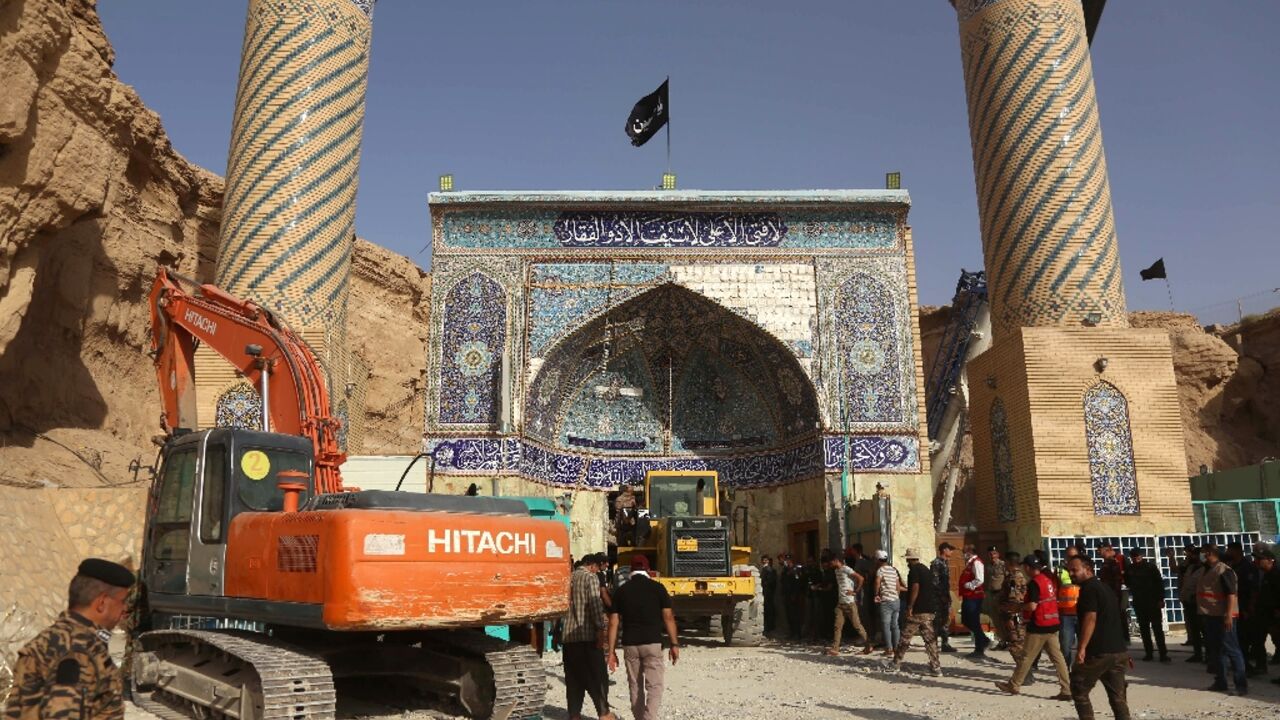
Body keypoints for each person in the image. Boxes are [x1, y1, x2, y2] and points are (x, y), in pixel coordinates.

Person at [4, 559, 134, 720]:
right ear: (102, 602)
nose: (125, 608)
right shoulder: (77, 652)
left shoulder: (52, 638)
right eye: (122, 601)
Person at [606, 555, 678, 720]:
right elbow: (668, 617)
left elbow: (613, 623)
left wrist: (611, 652)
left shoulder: (621, 591)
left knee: (635, 685)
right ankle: (649, 718)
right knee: (655, 685)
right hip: (653, 643)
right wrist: (674, 644)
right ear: (648, 570)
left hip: (630, 644)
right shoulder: (659, 589)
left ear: (631, 570)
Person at [997, 556, 1071, 700]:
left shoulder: (1034, 583)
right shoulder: (1047, 579)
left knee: (1026, 657)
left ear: (1029, 568)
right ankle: (1067, 689)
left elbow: (1032, 605)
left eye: (1025, 567)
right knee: (1058, 658)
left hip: (1039, 624)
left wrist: (1016, 608)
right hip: (1053, 622)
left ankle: (1014, 684)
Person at [1068, 555, 1131, 720]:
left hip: (1100, 652)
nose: (1071, 573)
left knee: (1079, 688)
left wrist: (1081, 648)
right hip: (1118, 652)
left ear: (1087, 569)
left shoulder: (1089, 589)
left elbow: (1091, 618)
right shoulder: (1105, 587)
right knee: (1118, 697)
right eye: (1069, 570)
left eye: (1075, 570)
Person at [563, 554, 615, 720]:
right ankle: (604, 714)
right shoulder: (590, 578)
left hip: (569, 637)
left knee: (573, 679)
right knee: (597, 678)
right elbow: (594, 604)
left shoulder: (568, 577)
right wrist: (601, 629)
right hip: (587, 637)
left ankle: (574, 715)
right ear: (592, 565)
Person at [1198, 545, 1247, 695]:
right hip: (1211, 615)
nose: (1201, 556)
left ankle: (1241, 685)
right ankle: (1221, 681)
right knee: (1217, 651)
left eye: (1202, 553)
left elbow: (1231, 594)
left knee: (1232, 650)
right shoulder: (1207, 569)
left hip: (1224, 616)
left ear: (1210, 553)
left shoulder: (1224, 570)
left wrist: (1228, 615)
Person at [892, 548, 942, 676]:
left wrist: (910, 606)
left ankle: (895, 664)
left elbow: (915, 587)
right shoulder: (925, 569)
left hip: (918, 610)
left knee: (905, 638)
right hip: (929, 610)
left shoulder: (914, 570)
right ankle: (936, 667)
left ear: (909, 559)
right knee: (930, 640)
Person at [1123, 548, 1168, 662]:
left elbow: (1159, 583)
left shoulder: (1150, 567)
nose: (1136, 558)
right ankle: (1149, 652)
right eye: (1133, 556)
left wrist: (1161, 599)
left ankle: (1163, 653)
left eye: (1137, 556)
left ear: (1141, 556)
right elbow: (1127, 582)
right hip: (1139, 601)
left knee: (1157, 628)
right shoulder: (1130, 569)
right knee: (1144, 629)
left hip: (1152, 601)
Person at [864, 550, 906, 657]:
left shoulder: (880, 570)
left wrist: (876, 595)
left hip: (886, 601)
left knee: (886, 625)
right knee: (895, 625)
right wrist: (896, 596)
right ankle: (896, 648)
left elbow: (877, 582)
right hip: (896, 601)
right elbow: (898, 586)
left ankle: (889, 649)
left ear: (878, 560)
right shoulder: (893, 570)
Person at [826, 554, 867, 656]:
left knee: (857, 626)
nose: (830, 565)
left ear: (836, 560)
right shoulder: (836, 571)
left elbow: (861, 578)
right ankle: (835, 649)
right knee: (837, 626)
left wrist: (855, 591)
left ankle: (868, 645)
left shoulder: (846, 569)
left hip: (849, 602)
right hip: (841, 603)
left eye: (831, 562)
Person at [999, 552, 1031, 679]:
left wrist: (1010, 617)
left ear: (1008, 562)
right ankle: (1026, 674)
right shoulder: (1016, 576)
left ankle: (1026, 674)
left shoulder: (1014, 578)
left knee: (1015, 645)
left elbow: (1015, 600)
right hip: (1016, 615)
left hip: (1014, 617)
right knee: (1018, 644)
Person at [959, 544, 989, 658]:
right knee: (965, 620)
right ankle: (983, 639)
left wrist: (969, 585)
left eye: (964, 552)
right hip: (968, 596)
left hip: (974, 596)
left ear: (970, 552)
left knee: (973, 620)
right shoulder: (969, 563)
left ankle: (979, 649)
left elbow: (980, 579)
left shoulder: (976, 562)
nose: (963, 554)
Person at [1178, 544, 1205, 662]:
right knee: (1194, 630)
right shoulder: (1190, 567)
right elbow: (1185, 582)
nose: (1191, 556)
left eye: (1194, 555)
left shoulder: (1205, 569)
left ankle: (1209, 655)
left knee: (1204, 630)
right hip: (1189, 602)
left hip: (1200, 604)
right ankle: (1197, 653)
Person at [1098, 544, 1129, 643]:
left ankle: (1124, 638)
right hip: (1109, 592)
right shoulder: (1106, 562)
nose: (1098, 553)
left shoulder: (1118, 560)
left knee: (1120, 613)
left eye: (1099, 551)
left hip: (1119, 591)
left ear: (1106, 550)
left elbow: (1122, 576)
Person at [931, 542, 957, 653]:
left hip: (944, 597)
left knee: (945, 621)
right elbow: (935, 582)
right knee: (937, 621)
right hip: (938, 598)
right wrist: (942, 596)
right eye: (950, 549)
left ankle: (945, 644)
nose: (951, 552)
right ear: (944, 550)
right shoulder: (937, 563)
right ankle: (934, 645)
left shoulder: (945, 563)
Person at [1058, 546, 1082, 669]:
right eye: (1068, 556)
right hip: (1066, 614)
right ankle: (1066, 671)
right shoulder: (1059, 571)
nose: (1070, 558)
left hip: (1081, 612)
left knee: (1084, 645)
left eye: (1073, 556)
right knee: (1065, 645)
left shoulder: (1083, 570)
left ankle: (1082, 670)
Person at [984, 546, 1008, 650]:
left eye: (994, 554)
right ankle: (1002, 640)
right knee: (996, 619)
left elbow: (1008, 578)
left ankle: (1010, 640)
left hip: (1001, 594)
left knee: (1004, 618)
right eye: (990, 554)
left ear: (998, 554)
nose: (992, 556)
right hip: (991, 594)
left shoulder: (1003, 565)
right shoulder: (988, 566)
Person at [780, 554, 807, 642]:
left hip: (794, 595)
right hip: (787, 595)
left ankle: (798, 634)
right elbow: (783, 582)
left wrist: (795, 595)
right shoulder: (786, 569)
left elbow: (797, 583)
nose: (787, 562)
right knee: (789, 615)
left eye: (788, 560)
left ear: (791, 560)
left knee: (796, 615)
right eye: (786, 560)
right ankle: (792, 633)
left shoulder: (795, 569)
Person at [760, 555, 778, 636]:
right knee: (767, 611)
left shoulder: (769, 570)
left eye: (766, 560)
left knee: (769, 610)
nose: (764, 562)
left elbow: (770, 582)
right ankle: (768, 628)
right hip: (767, 593)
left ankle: (769, 628)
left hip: (768, 593)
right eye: (763, 560)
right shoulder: (765, 569)